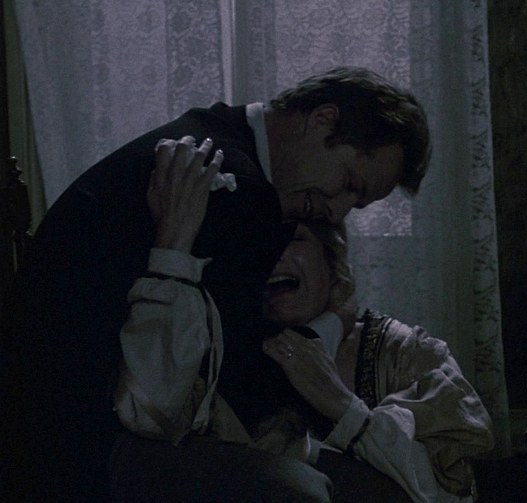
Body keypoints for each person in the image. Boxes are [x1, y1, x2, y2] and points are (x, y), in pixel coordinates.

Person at [2, 66, 431, 501]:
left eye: (356, 202)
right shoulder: (236, 187)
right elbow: (241, 386)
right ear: (322, 119)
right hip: (73, 438)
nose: (337, 213)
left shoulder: (218, 137)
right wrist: (332, 328)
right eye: (349, 184)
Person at [114, 218, 494, 502]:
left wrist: (342, 407)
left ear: (331, 258)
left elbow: (454, 493)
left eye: (294, 238)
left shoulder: (404, 355)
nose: (273, 256)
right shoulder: (218, 362)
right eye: (261, 244)